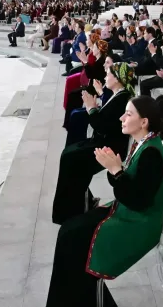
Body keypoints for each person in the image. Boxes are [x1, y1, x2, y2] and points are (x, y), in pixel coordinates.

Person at [45, 96, 163, 307]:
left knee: (74, 242)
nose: (122, 117)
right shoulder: (144, 144)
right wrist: (117, 170)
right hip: (127, 211)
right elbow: (130, 188)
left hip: (139, 223)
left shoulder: (152, 153)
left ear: (144, 122)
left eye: (128, 114)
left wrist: (116, 171)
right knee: (68, 231)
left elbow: (138, 201)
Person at [52, 63, 134, 225]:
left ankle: (73, 211)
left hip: (110, 147)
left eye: (108, 74)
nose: (105, 76)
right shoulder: (117, 94)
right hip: (104, 141)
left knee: (72, 159)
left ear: (117, 79)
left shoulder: (122, 98)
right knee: (68, 154)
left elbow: (102, 126)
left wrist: (91, 108)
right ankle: (75, 206)